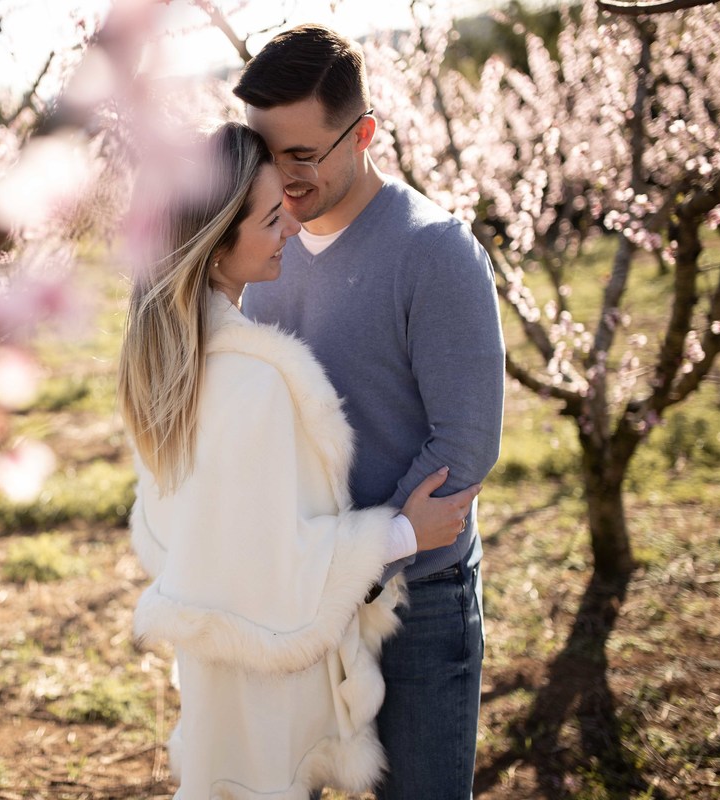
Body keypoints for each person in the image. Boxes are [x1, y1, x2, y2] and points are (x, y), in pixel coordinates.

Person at [118, 122, 483, 799]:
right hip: (270, 689)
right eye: (266, 218)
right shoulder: (250, 379)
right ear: (215, 248)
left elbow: (175, 534)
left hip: (219, 678)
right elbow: (272, 565)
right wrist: (402, 534)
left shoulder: (168, 363)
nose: (289, 223)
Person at [232, 25, 506, 800]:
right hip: (295, 599)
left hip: (415, 601)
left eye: (303, 155)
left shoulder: (435, 252)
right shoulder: (260, 255)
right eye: (265, 153)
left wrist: (357, 560)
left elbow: (464, 447)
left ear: (365, 134)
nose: (282, 179)